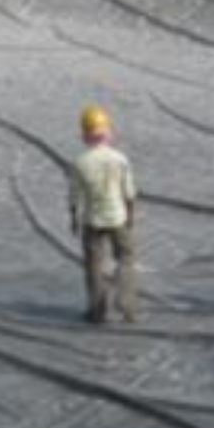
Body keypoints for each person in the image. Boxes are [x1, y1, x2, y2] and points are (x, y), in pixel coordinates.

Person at [68, 104, 139, 325]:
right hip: (118, 218)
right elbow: (129, 193)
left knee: (94, 265)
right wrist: (130, 217)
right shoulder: (120, 159)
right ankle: (127, 304)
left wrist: (74, 219)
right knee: (126, 259)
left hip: (93, 220)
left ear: (85, 135)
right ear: (107, 132)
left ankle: (97, 311)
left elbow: (75, 197)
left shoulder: (80, 163)